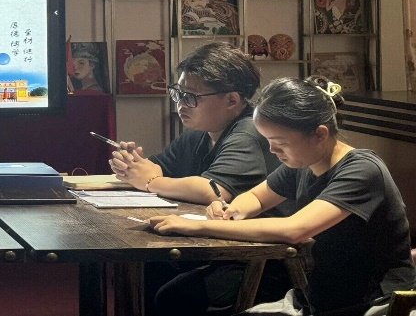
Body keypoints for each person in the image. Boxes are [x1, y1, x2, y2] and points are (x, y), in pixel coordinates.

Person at [149, 76, 416, 316]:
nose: (273, 150)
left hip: (376, 302)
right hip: (321, 297)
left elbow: (294, 230)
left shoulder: (362, 170)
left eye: (280, 143)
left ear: (319, 134)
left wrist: (198, 226)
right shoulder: (303, 164)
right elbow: (257, 197)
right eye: (268, 141)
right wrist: (231, 210)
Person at [108, 42, 290, 314]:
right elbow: (158, 166)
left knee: (172, 295)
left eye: (191, 96)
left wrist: (148, 182)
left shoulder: (249, 132)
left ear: (232, 100)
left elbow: (214, 190)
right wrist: (132, 165)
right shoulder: (199, 132)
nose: (181, 104)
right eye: (178, 93)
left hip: (263, 259)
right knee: (148, 267)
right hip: (221, 246)